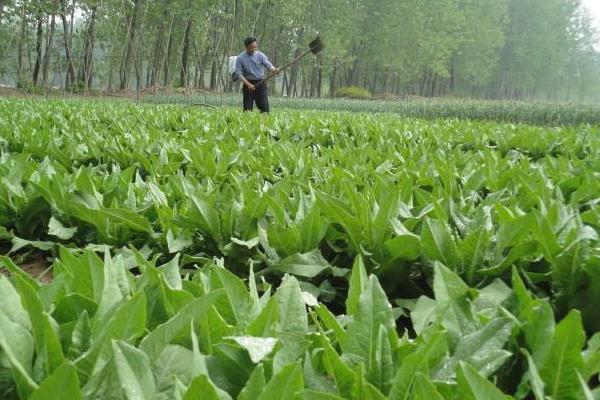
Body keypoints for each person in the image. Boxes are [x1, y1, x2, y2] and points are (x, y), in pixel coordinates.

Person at [234, 37, 279, 113]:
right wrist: (248, 85)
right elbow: (239, 74)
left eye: (255, 47)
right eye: (251, 48)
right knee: (247, 109)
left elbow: (268, 65)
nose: (253, 49)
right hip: (248, 84)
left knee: (264, 109)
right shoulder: (240, 58)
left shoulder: (260, 55)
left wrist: (274, 70)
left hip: (260, 83)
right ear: (246, 47)